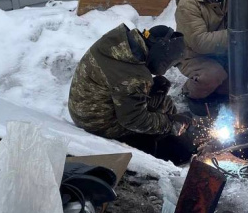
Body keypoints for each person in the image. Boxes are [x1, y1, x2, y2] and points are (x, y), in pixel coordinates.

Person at [67, 24, 195, 164]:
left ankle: (174, 132)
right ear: (161, 54)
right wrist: (169, 123)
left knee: (163, 100)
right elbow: (133, 120)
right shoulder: (134, 77)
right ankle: (167, 144)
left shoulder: (122, 44)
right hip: (97, 122)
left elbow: (119, 80)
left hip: (86, 105)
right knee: (177, 150)